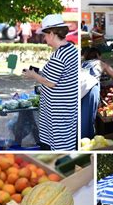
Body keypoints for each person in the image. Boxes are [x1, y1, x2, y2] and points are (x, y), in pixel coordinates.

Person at [22, 14, 78, 150]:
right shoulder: (70, 49)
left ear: (52, 34)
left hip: (59, 112)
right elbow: (57, 76)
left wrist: (33, 75)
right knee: (64, 142)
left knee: (61, 145)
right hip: (66, 108)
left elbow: (51, 82)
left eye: (45, 35)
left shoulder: (60, 55)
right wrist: (40, 74)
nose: (44, 38)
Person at [81, 48, 113, 138]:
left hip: (80, 90)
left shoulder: (83, 64)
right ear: (97, 55)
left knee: (82, 117)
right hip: (91, 89)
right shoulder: (100, 63)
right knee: (89, 117)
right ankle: (87, 139)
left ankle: (82, 139)